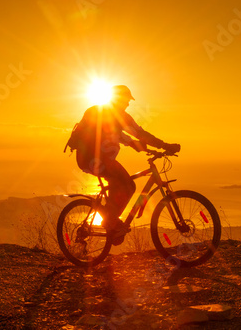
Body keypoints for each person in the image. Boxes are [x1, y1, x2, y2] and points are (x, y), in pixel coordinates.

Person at [75, 85, 180, 245]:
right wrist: (164, 146)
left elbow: (127, 135)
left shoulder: (111, 114)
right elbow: (134, 134)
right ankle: (112, 222)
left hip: (95, 159)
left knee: (125, 185)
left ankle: (112, 222)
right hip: (94, 160)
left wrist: (140, 146)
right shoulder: (112, 115)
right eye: (126, 101)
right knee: (128, 185)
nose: (128, 104)